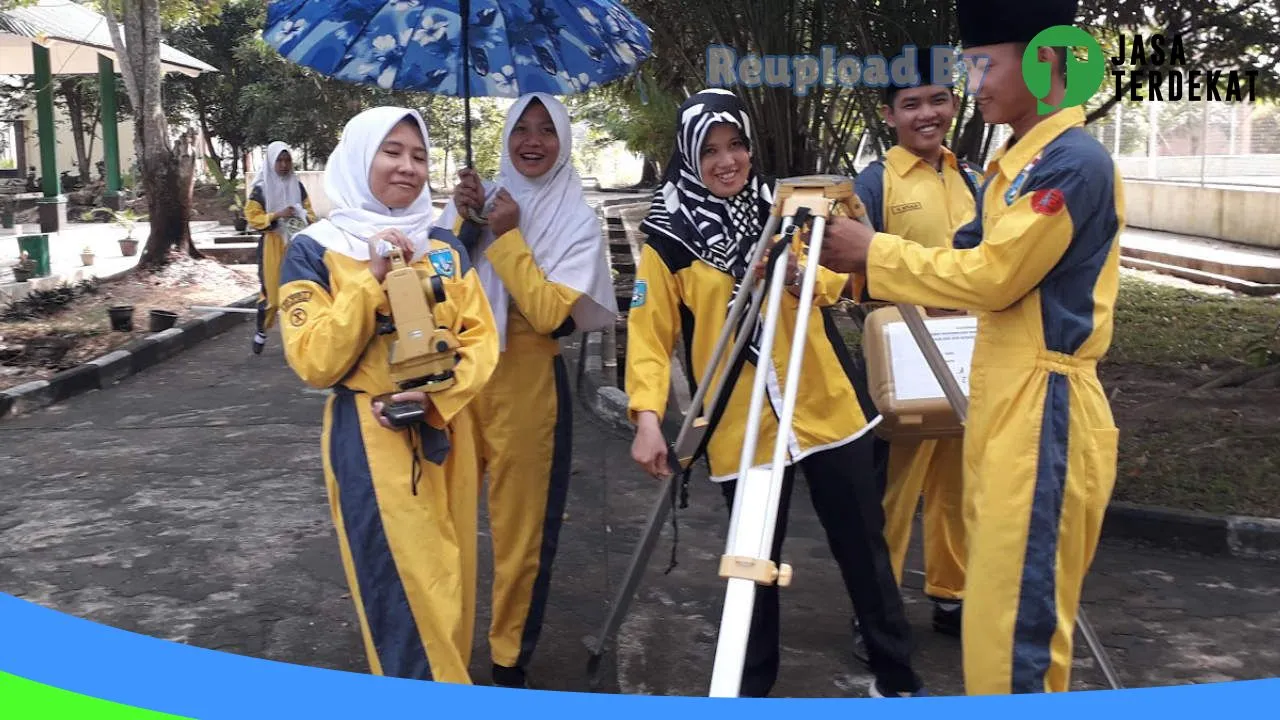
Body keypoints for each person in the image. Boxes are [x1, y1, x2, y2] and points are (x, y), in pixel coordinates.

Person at [819, 0, 1125, 695]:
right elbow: (969, 259)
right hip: (994, 398)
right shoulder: (1012, 169)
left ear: (1047, 60)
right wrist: (847, 261)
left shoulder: (1070, 167)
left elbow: (992, 275)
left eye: (985, 64)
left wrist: (874, 251)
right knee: (995, 628)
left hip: (1043, 412)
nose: (973, 84)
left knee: (1016, 644)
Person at [625, 88, 925, 699]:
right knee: (751, 569)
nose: (727, 160)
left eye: (735, 144)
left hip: (825, 407)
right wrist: (648, 419)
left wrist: (804, 278)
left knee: (865, 551)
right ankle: (749, 689)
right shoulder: (668, 239)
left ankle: (898, 678)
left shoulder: (790, 212)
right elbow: (650, 337)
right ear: (687, 156)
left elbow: (845, 279)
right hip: (743, 421)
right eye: (709, 150)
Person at [276, 106, 499, 685]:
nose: (408, 168)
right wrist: (370, 287)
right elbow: (313, 360)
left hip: (448, 428)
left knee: (452, 580)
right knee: (408, 596)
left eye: (420, 155)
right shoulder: (314, 249)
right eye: (392, 152)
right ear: (358, 157)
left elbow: (481, 338)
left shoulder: (444, 244)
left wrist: (440, 401)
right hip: (374, 433)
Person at [436, 93, 617, 689]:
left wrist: (507, 235)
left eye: (546, 130)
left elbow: (550, 317)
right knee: (446, 518)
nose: (532, 141)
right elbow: (436, 280)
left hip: (529, 382)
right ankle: (443, 641)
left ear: (563, 141)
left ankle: (508, 655)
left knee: (522, 530)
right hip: (462, 374)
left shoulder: (574, 217)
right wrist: (464, 222)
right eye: (521, 129)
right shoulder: (478, 197)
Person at [852, 49, 984, 640]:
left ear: (954, 105)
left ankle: (951, 594)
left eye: (938, 100)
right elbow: (852, 268)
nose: (926, 114)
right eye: (911, 105)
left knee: (958, 481)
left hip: (966, 350)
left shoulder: (973, 178)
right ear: (889, 115)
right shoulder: (874, 184)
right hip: (902, 356)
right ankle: (874, 608)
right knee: (893, 489)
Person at [244, 141, 318, 355]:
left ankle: (300, 339)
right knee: (273, 295)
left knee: (300, 290)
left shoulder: (297, 186)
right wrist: (277, 215)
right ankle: (261, 330)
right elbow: (252, 217)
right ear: (271, 162)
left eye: (287, 160)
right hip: (272, 244)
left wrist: (304, 217)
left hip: (296, 245)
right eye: (280, 160)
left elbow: (310, 211)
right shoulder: (261, 189)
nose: (284, 165)